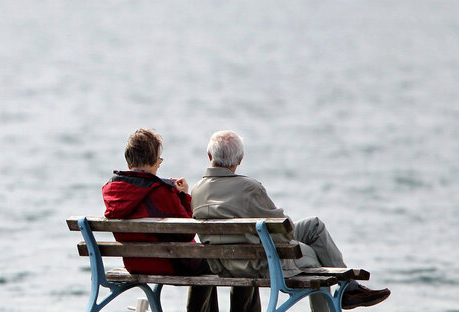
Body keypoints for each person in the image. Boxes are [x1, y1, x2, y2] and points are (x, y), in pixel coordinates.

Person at [191, 130, 391, 311]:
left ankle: (350, 289)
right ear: (240, 159)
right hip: (259, 264)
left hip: (224, 262)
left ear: (210, 156)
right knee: (314, 254)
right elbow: (283, 231)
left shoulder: (197, 190)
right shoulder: (249, 187)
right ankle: (346, 292)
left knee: (314, 226)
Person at [102, 128, 219, 312]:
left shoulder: (113, 190)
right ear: (152, 160)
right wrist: (185, 197)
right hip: (168, 262)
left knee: (204, 262)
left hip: (134, 263)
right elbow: (187, 232)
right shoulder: (159, 191)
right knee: (211, 261)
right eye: (159, 159)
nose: (159, 165)